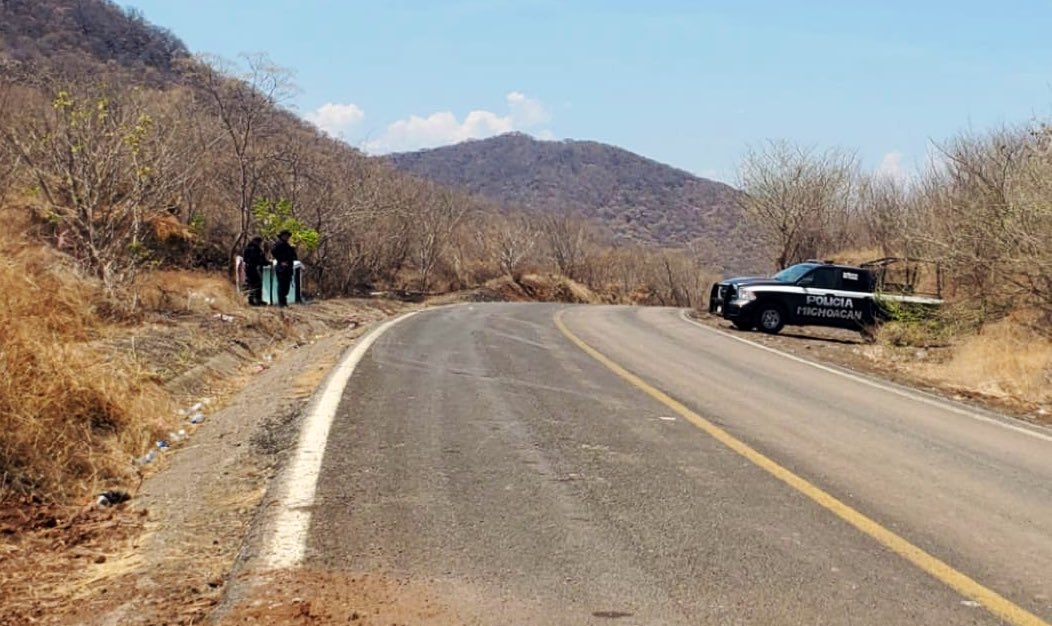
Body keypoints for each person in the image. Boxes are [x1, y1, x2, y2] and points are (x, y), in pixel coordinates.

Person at [270, 229, 298, 307]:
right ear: (281, 236)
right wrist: (281, 261)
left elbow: (293, 256)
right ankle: (281, 303)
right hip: (281, 267)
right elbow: (273, 251)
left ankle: (284, 302)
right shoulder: (279, 244)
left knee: (286, 285)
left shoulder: (287, 245)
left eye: (287, 236)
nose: (286, 237)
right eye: (285, 235)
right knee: (282, 285)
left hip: (288, 267)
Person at [241, 236, 266, 306]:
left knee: (254, 284)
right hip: (253, 268)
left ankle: (256, 299)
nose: (259, 243)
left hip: (250, 268)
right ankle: (254, 300)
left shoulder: (250, 248)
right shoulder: (253, 249)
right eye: (259, 242)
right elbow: (257, 259)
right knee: (255, 284)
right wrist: (263, 262)